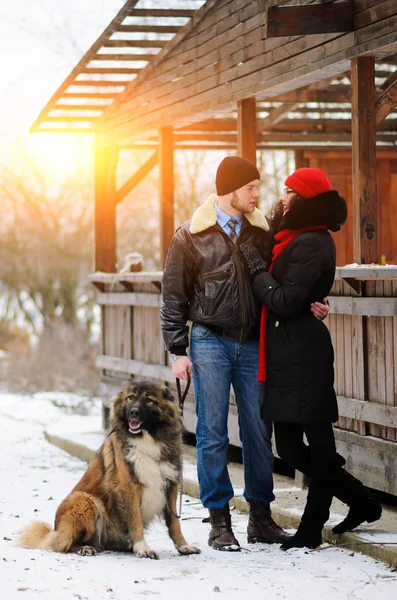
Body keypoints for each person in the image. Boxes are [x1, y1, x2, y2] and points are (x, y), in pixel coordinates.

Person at [160, 156, 328, 552]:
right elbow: (172, 298)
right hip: (208, 341)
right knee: (213, 433)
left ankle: (260, 518)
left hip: (254, 343)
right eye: (250, 187)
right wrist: (176, 350)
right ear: (230, 190)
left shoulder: (261, 233)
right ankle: (219, 521)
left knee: (257, 431)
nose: (257, 193)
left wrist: (311, 303)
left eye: (258, 187)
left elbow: (284, 280)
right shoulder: (189, 236)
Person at [240, 167, 382, 550]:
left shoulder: (314, 242)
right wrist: (267, 231)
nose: (281, 196)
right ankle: (361, 499)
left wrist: (257, 271)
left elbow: (285, 300)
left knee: (318, 446)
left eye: (288, 191)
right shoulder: (291, 237)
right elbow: (286, 285)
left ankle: (311, 526)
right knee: (288, 447)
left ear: (303, 199)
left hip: (303, 353)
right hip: (286, 352)